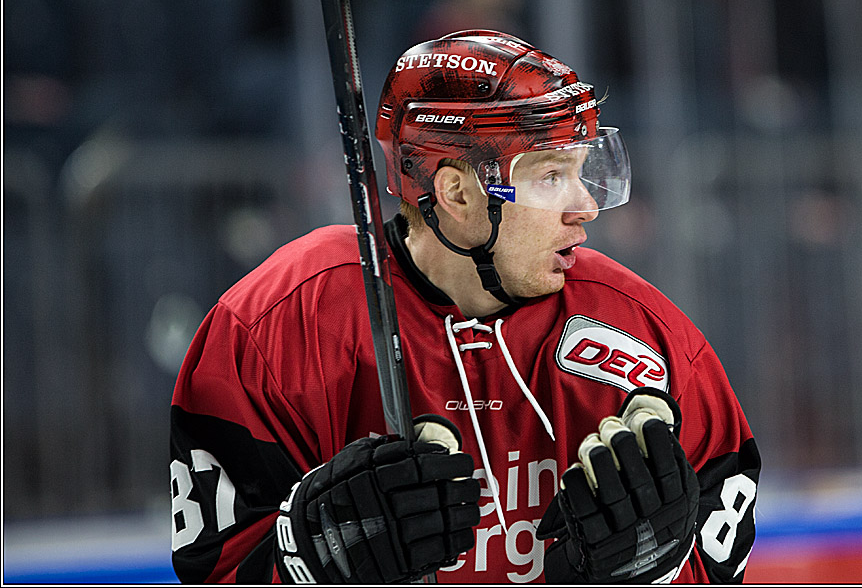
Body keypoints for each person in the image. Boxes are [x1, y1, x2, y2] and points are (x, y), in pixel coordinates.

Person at [170, 30, 760, 583]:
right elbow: (214, 567)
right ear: (457, 192)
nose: (586, 206)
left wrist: (660, 569)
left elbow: (721, 544)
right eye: (551, 175)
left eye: (582, 171)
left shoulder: (644, 332)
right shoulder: (278, 326)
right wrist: (307, 558)